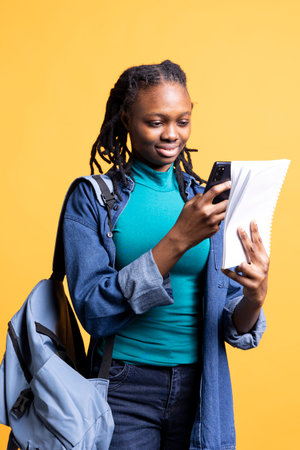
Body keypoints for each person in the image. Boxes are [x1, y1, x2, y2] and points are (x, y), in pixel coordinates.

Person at [63, 60, 268, 450]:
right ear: (126, 118)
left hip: (202, 386)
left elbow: (231, 319)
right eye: (155, 122)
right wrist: (177, 240)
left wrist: (255, 297)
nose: (171, 134)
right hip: (123, 386)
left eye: (182, 121)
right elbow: (93, 309)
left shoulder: (207, 199)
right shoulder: (92, 199)